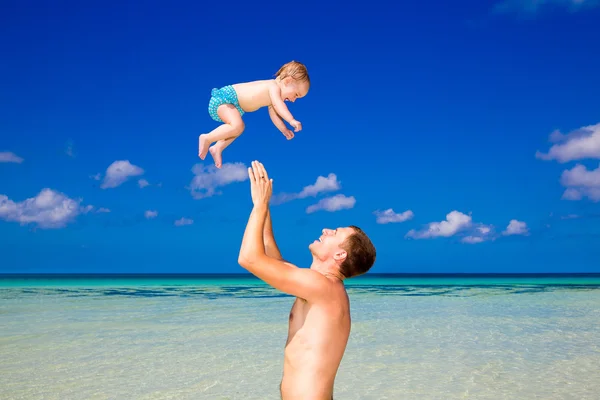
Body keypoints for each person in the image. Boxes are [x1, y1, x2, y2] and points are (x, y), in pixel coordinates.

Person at [238, 161, 377, 400]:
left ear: (340, 255)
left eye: (335, 233)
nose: (326, 230)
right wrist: (262, 204)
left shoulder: (322, 287)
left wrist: (260, 206)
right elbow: (272, 255)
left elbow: (249, 259)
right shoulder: (323, 287)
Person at [198, 61, 310, 168]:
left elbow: (274, 114)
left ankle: (218, 147)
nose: (294, 100)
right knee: (237, 126)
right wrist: (291, 120)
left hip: (234, 106)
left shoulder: (273, 97)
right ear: (288, 81)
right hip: (226, 99)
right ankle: (207, 138)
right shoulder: (273, 86)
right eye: (296, 94)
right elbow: (278, 106)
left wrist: (284, 129)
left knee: (238, 128)